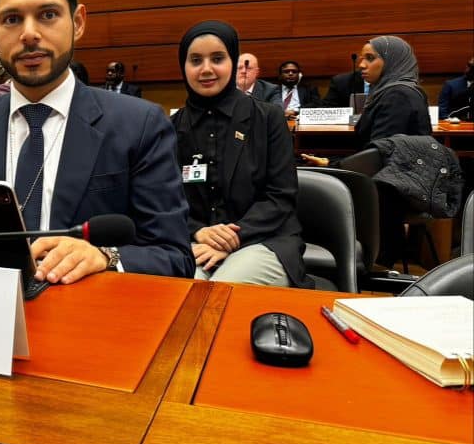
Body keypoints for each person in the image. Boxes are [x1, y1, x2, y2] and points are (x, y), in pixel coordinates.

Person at [0, 0, 194, 282]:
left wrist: (106, 256)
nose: (29, 34)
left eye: (48, 15)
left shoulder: (139, 125)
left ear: (78, 22)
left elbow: (174, 257)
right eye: (12, 19)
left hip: (92, 308)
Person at [172, 22, 311, 287]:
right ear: (183, 66)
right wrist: (198, 231)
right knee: (182, 288)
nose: (206, 69)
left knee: (219, 292)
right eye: (196, 60)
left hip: (264, 239)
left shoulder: (268, 118)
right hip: (195, 242)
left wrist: (233, 237)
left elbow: (281, 196)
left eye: (217, 59)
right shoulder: (171, 128)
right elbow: (165, 200)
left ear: (233, 62)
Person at [304, 36, 432, 267]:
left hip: (388, 194)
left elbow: (379, 156)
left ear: (392, 61)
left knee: (311, 187)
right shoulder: (396, 91)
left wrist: (332, 165)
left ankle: (338, 265)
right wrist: (332, 162)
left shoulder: (397, 96)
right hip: (391, 184)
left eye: (370, 58)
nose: (362, 64)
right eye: (362, 58)